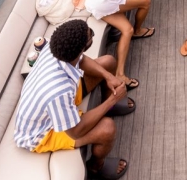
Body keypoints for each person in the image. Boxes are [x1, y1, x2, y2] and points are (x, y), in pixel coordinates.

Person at [14, 19, 132, 179]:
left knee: (108, 63)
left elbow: (81, 59)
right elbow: (75, 132)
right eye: (90, 36)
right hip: (43, 133)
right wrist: (112, 99)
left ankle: (110, 105)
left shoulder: (53, 46)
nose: (91, 34)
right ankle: (96, 166)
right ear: (81, 48)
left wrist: (108, 76)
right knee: (107, 129)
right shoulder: (58, 91)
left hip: (63, 96)